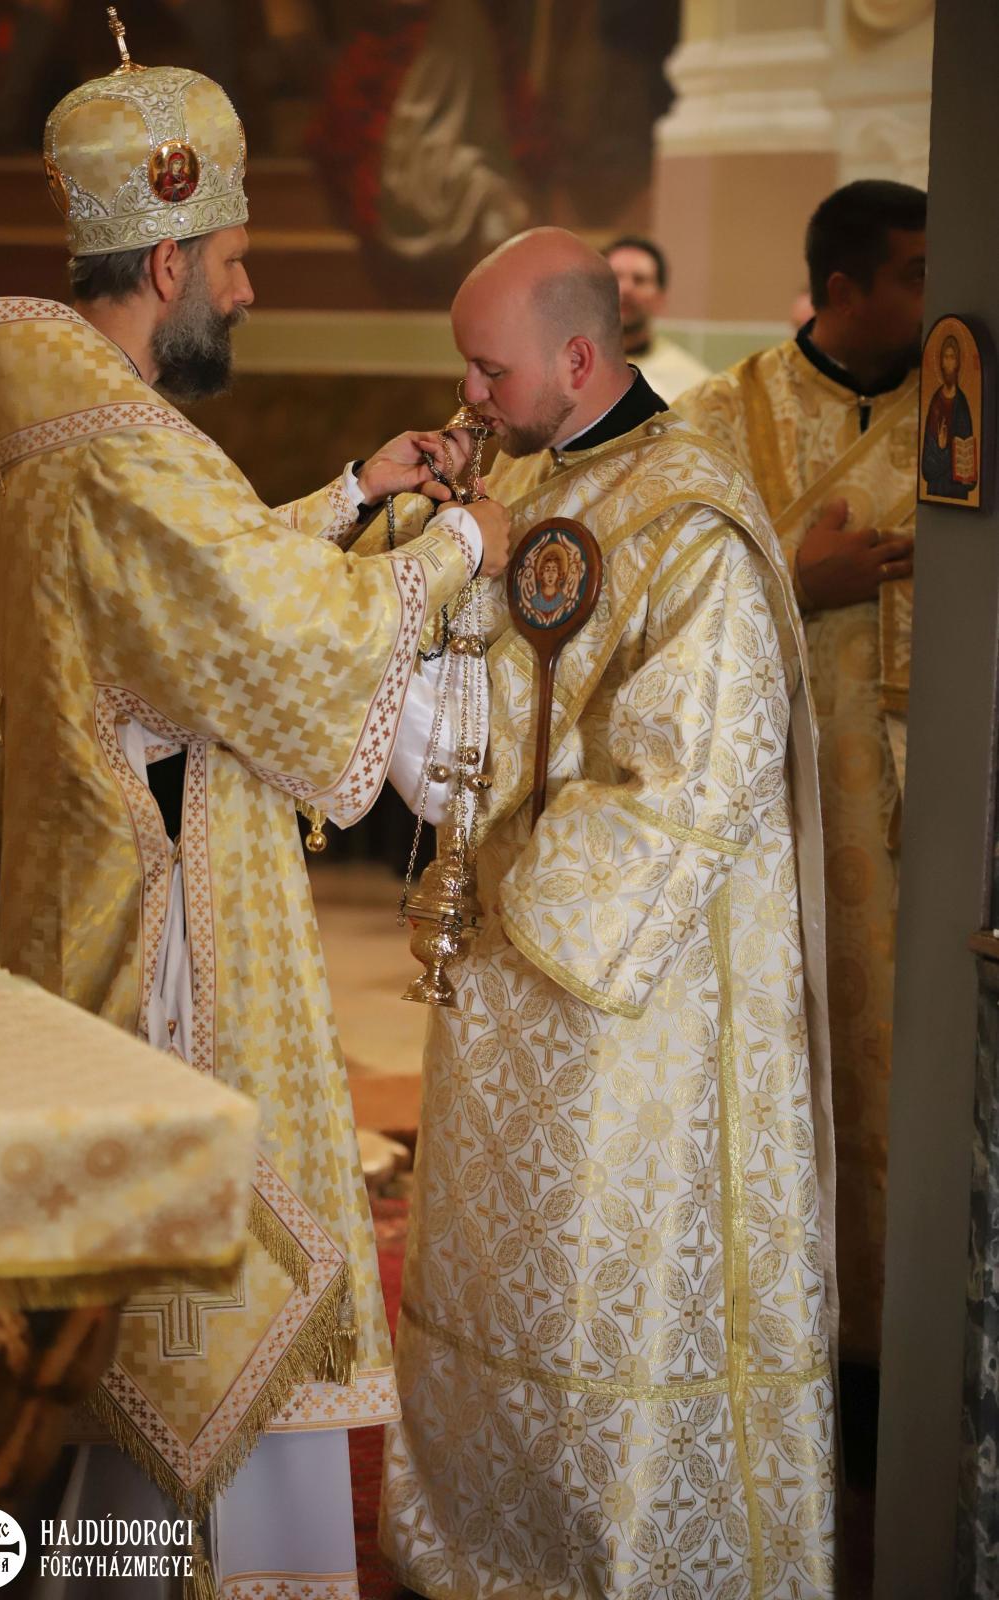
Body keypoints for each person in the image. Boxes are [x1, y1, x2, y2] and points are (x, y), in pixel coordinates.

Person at [0, 33, 509, 1600]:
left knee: (104, 1307)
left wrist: (346, 496)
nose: (251, 289)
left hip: (74, 897)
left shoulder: (43, 411)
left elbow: (186, 599)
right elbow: (272, 630)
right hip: (169, 950)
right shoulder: (124, 447)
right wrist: (460, 546)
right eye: (237, 260)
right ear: (169, 262)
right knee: (184, 1310)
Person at [375, 228, 838, 1598]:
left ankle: (603, 1562)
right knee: (493, 1274)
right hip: (499, 968)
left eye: (489, 369)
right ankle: (478, 1544)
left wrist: (516, 886)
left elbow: (697, 770)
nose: (469, 393)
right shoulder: (527, 474)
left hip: (622, 1001)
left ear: (577, 358)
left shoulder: (691, 520)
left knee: (595, 1286)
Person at [677, 179, 926, 1373]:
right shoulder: (722, 417)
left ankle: (897, 1352)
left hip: (913, 822)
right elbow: (661, 593)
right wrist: (795, 577)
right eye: (917, 274)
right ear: (842, 288)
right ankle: (779, 1343)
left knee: (905, 1077)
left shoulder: (963, 410)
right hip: (764, 809)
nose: (943, 296)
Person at [602, 234, 711, 401]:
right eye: (615, 277)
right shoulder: (570, 370)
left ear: (660, 298)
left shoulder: (693, 385)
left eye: (639, 280)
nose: (625, 288)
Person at [921, 331, 978, 499]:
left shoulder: (962, 403)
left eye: (952, 357)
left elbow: (966, 448)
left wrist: (964, 465)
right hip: (937, 484)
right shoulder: (935, 402)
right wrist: (940, 448)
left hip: (956, 486)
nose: (948, 362)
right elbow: (927, 458)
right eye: (945, 357)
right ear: (941, 362)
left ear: (958, 363)